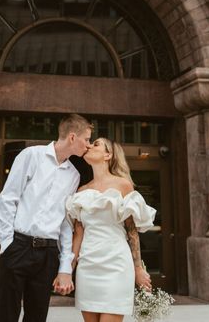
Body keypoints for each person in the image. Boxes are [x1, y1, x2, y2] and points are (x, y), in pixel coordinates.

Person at [0, 113, 93, 322]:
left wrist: (65, 266)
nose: (89, 145)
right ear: (73, 137)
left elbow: (66, 225)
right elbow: (7, 199)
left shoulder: (73, 175)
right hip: (18, 246)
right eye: (87, 139)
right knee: (5, 314)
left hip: (48, 254)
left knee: (37, 317)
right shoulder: (31, 156)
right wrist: (6, 243)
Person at [67, 137, 155, 322]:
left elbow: (132, 231)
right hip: (88, 266)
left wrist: (138, 269)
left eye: (96, 144)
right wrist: (67, 270)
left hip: (116, 265)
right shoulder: (81, 191)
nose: (90, 145)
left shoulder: (123, 185)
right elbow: (78, 234)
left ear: (108, 155)